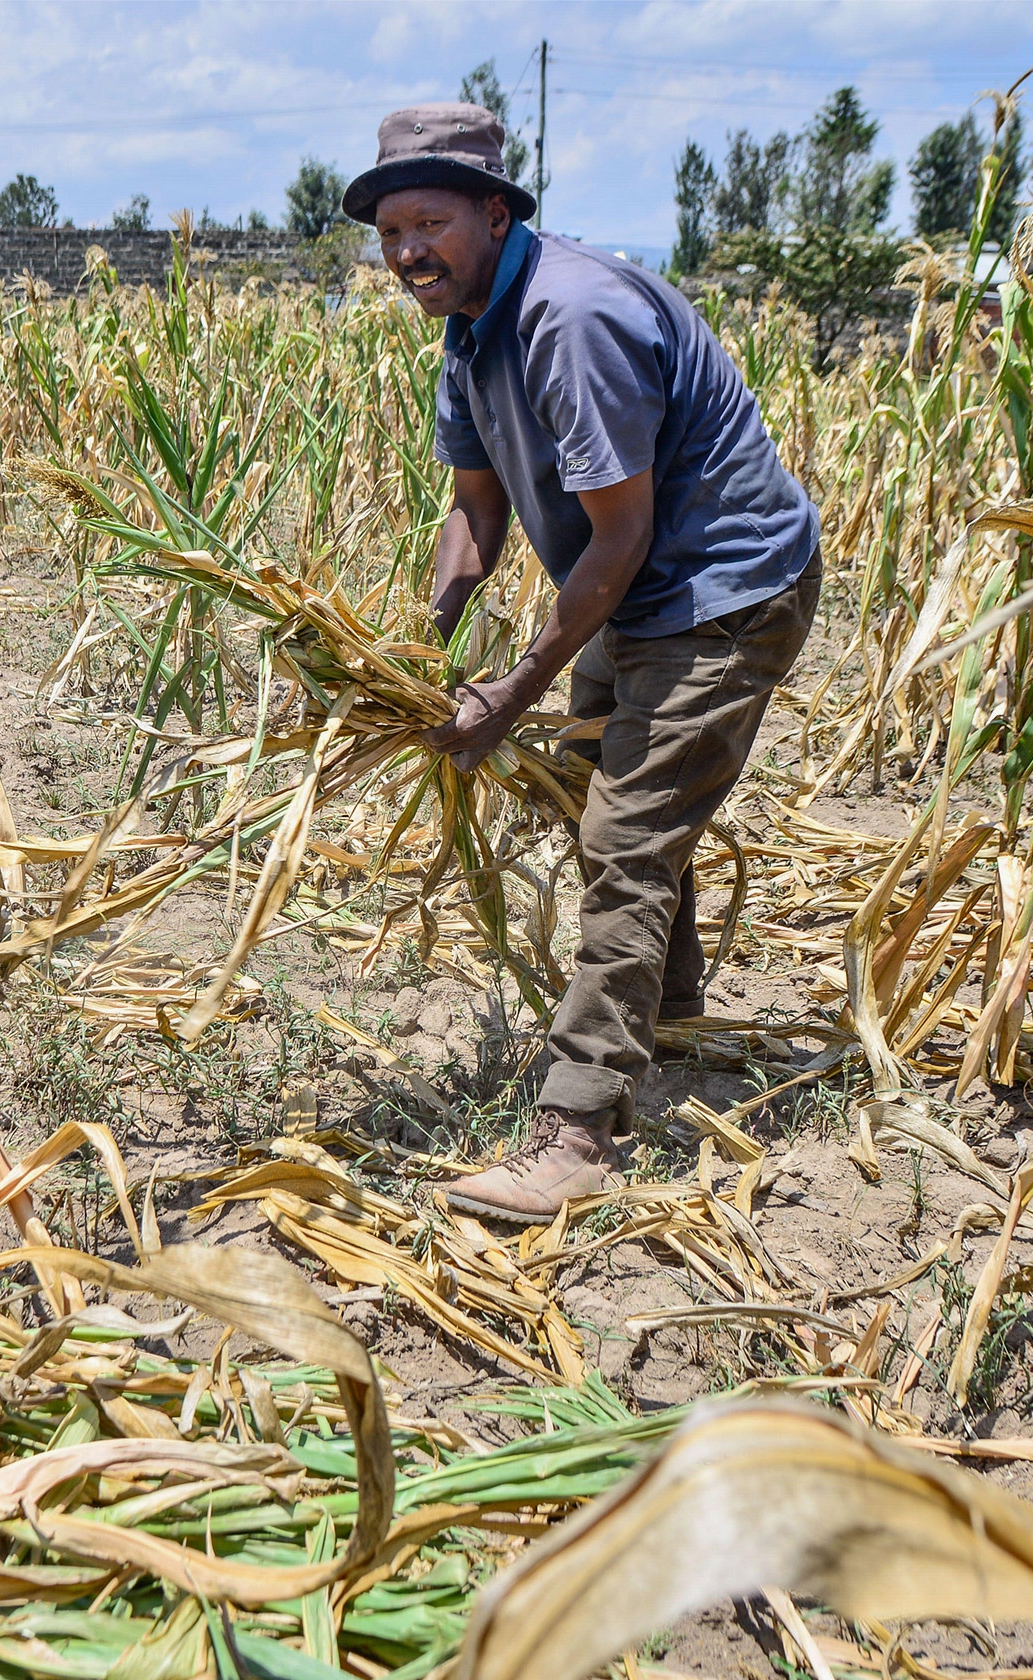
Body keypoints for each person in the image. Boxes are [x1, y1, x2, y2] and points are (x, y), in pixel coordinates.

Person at [346, 103, 822, 1223]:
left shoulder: (572, 318)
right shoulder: (467, 330)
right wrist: (427, 643)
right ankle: (673, 1023)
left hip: (721, 591)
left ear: (495, 212)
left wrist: (513, 690)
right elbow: (475, 512)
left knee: (626, 839)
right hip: (636, 594)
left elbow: (619, 537)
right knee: (602, 806)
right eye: (390, 230)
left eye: (431, 221)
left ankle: (577, 1136)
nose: (409, 249)